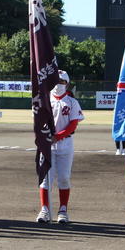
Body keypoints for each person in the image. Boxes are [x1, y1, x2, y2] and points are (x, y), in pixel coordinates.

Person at [36, 70, 84, 224]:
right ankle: (45, 209)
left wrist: (58, 136)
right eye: (56, 81)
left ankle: (63, 210)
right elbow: (38, 121)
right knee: (46, 179)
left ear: (67, 84)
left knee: (63, 178)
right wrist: (44, 137)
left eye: (62, 82)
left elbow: (73, 124)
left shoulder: (72, 102)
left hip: (65, 143)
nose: (59, 84)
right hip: (47, 145)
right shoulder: (44, 100)